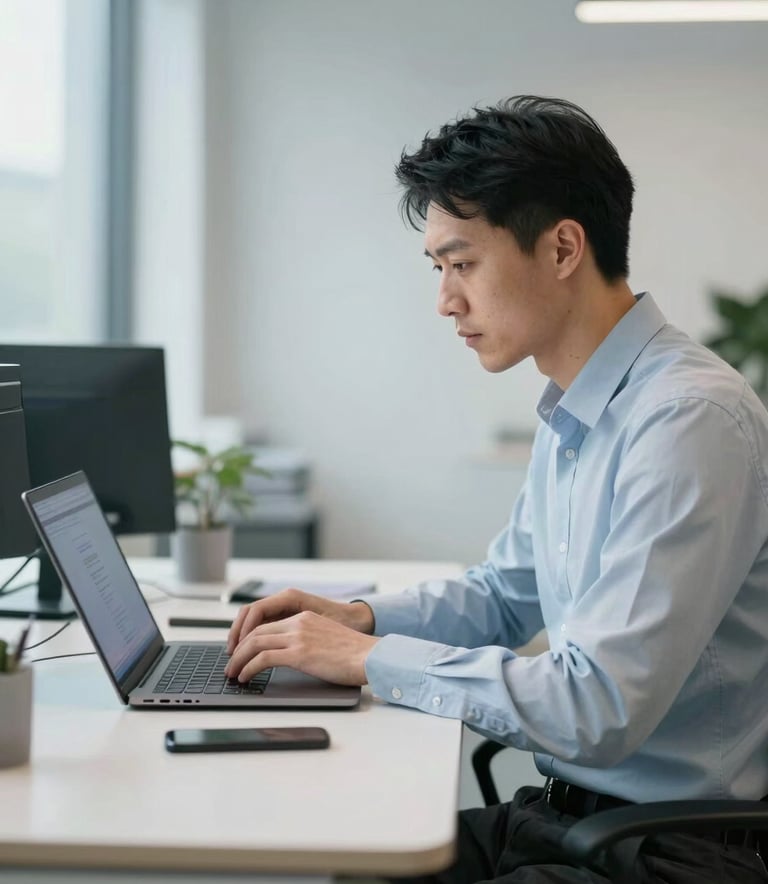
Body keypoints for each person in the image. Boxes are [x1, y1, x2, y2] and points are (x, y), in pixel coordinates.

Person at [224, 96, 768, 883]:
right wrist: (356, 619)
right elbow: (505, 597)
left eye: (462, 263)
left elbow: (598, 708)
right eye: (439, 269)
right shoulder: (578, 406)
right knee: (349, 852)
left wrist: (370, 659)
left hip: (669, 853)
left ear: (562, 248)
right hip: (575, 822)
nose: (446, 300)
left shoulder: (688, 421)